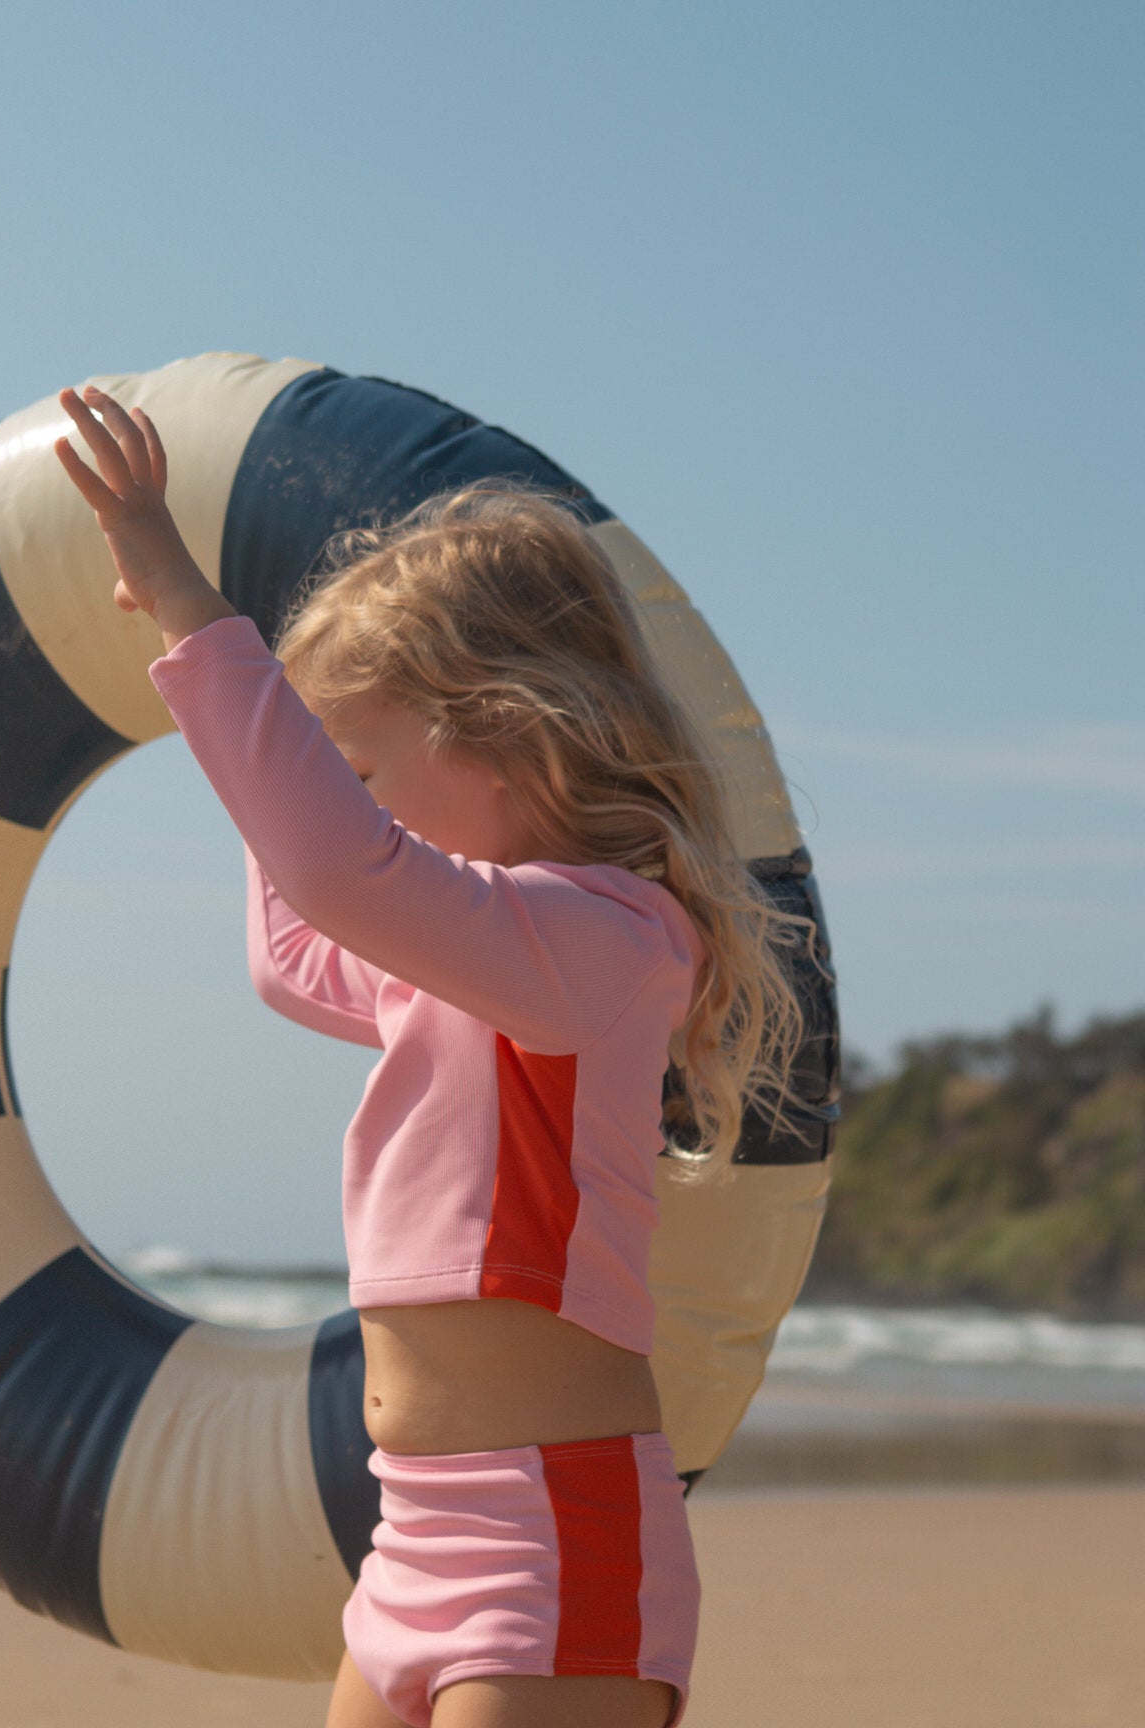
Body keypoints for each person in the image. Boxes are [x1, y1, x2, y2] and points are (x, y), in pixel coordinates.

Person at [54, 383, 807, 1728]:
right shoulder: (458, 963)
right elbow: (296, 945)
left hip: (550, 1541)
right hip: (413, 1537)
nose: (342, 799)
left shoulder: (609, 941)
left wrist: (194, 618)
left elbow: (344, 873)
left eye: (363, 767)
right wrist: (241, 724)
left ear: (512, 737)